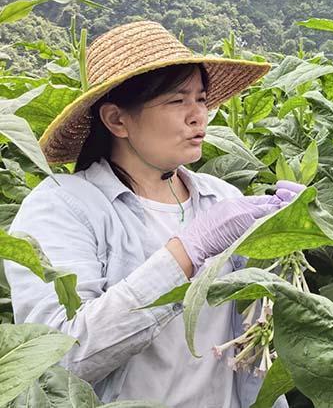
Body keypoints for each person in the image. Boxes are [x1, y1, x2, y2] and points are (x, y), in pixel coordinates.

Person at [5, 21, 301, 407]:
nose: (199, 116)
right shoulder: (63, 207)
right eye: (177, 101)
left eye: (201, 98)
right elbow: (56, 363)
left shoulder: (220, 198)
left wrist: (290, 238)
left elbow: (257, 325)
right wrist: (187, 252)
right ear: (116, 120)